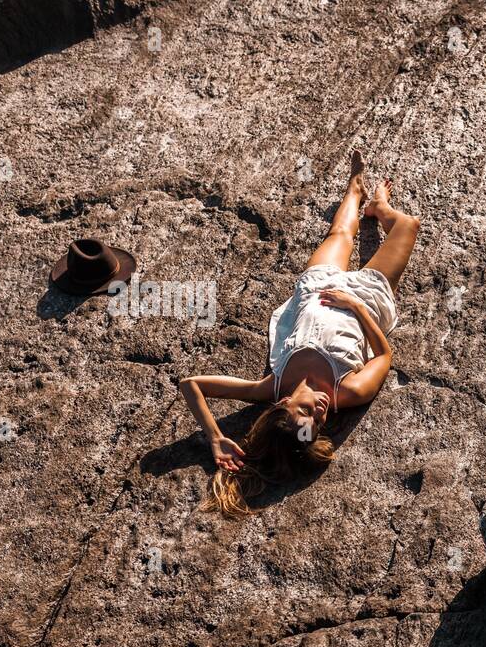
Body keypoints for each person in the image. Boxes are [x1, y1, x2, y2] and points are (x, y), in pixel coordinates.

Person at [178, 150, 420, 517]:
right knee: (407, 226)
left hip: (315, 288)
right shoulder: (347, 391)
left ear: (283, 406)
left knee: (340, 232)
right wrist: (354, 307)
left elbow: (190, 384)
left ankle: (356, 191)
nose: (321, 411)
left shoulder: (270, 387)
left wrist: (215, 438)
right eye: (320, 421)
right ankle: (383, 207)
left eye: (307, 411)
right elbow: (385, 357)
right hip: (367, 299)